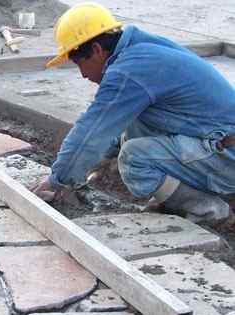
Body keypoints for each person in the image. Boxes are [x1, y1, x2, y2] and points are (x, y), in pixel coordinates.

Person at [32, 2, 235, 223]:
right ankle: (178, 199)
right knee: (134, 129)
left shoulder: (129, 71)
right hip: (217, 143)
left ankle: (210, 210)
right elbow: (115, 127)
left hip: (226, 154)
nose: (82, 74)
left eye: (79, 62)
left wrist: (57, 181)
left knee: (133, 158)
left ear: (97, 50)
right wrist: (98, 160)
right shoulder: (141, 50)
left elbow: (92, 129)